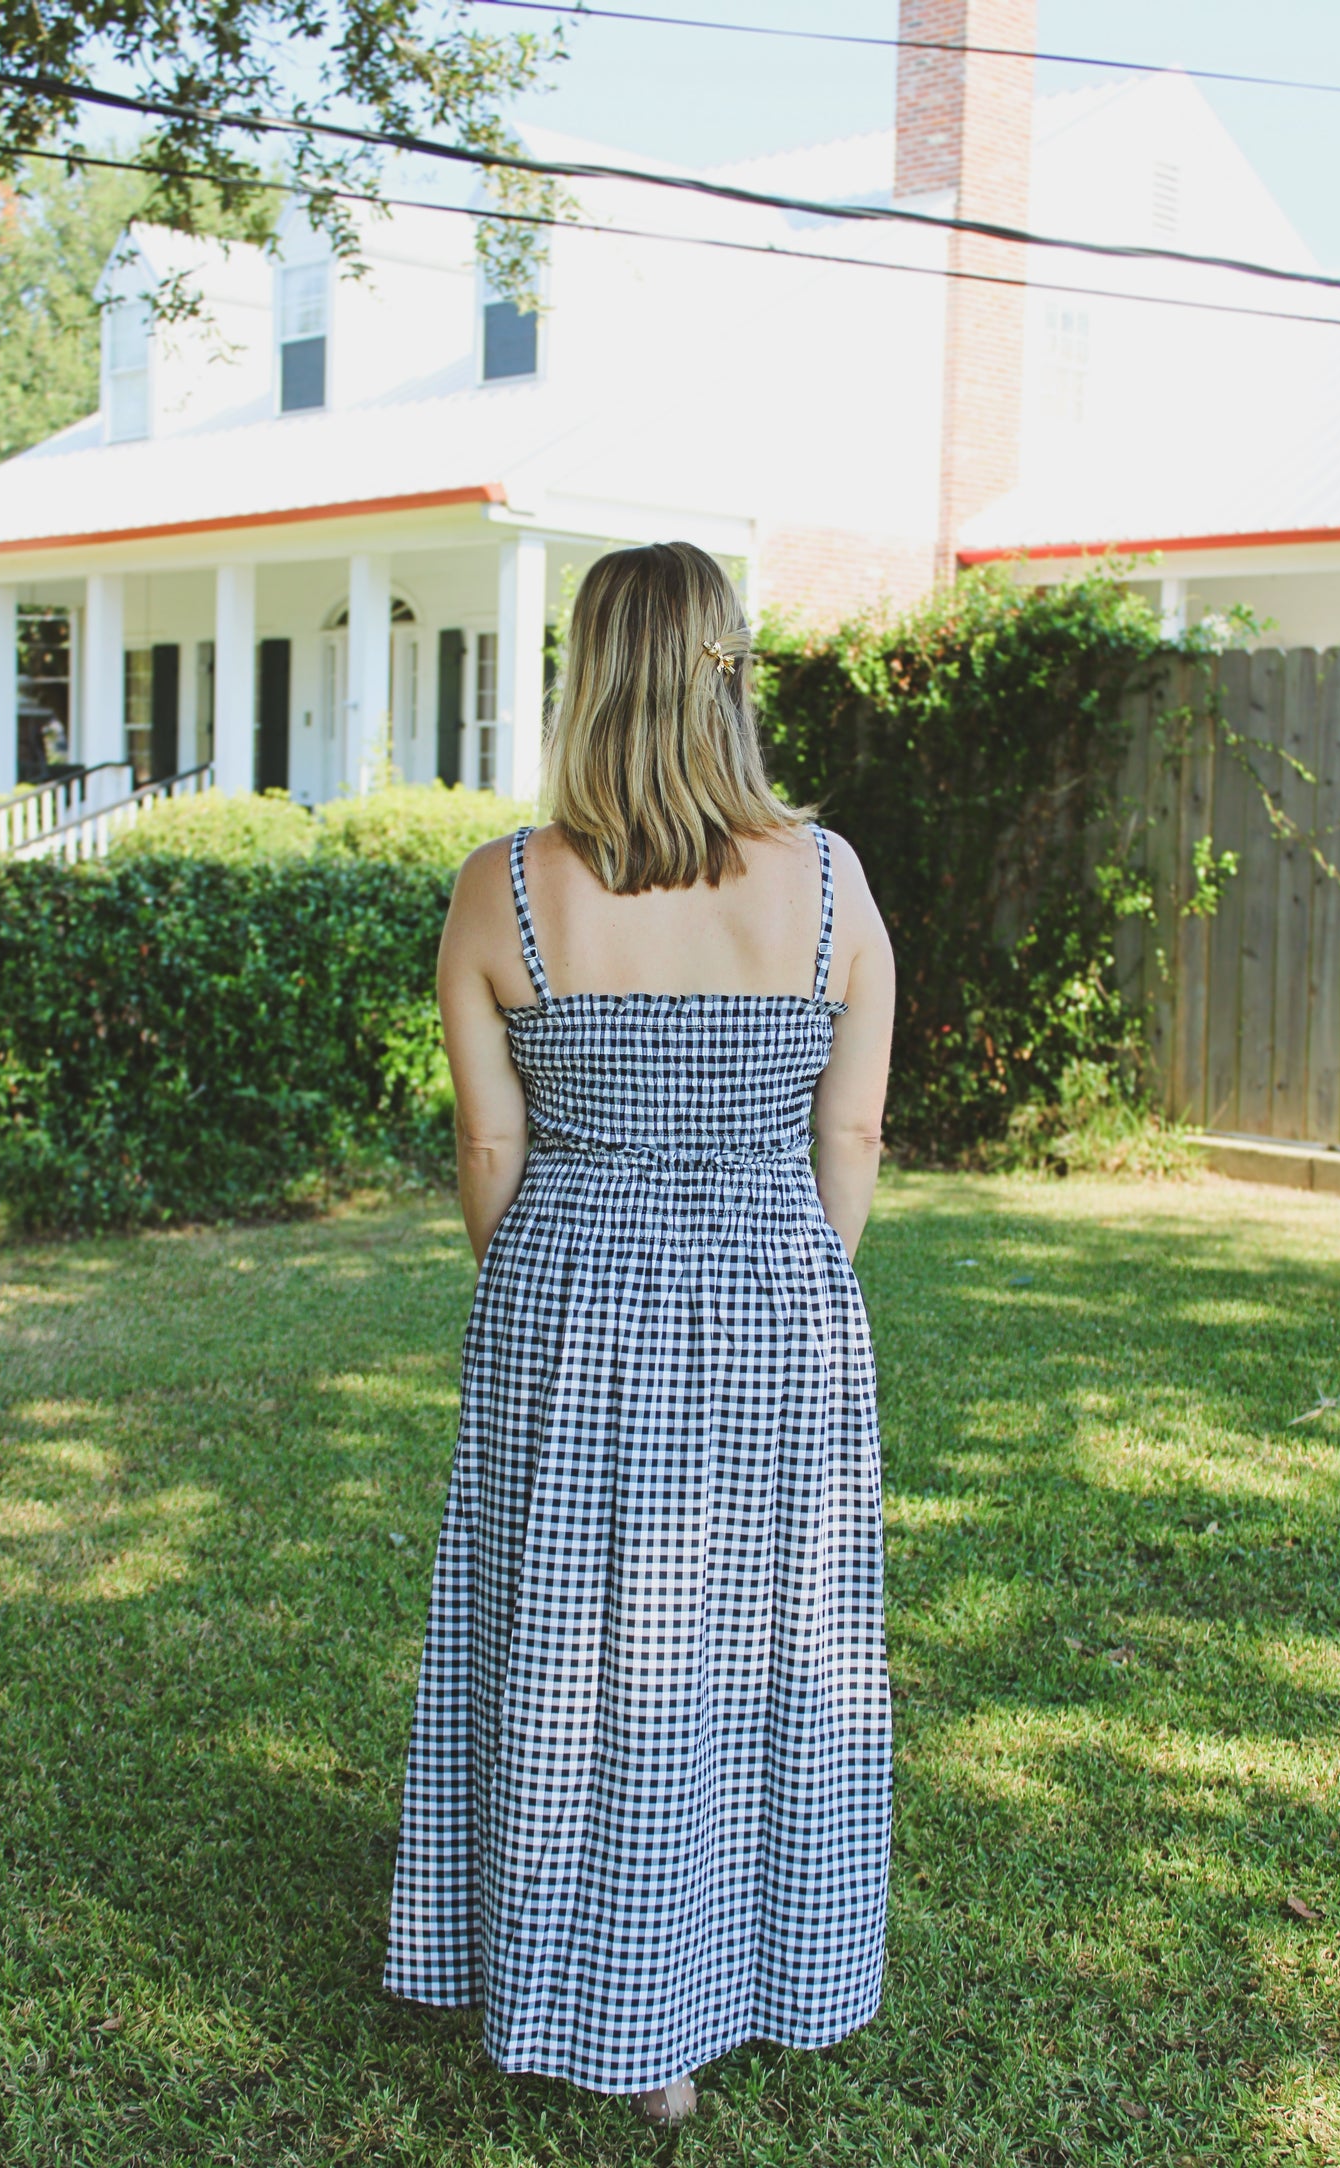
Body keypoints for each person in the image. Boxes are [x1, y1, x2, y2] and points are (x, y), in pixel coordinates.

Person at [383, 540, 895, 2124]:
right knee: (751, 1654)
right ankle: (731, 1979)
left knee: (566, 1646)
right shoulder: (827, 877)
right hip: (777, 1297)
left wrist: (552, 1289)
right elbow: (852, 1139)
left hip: (567, 1296)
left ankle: (595, 1989)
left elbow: (488, 1157)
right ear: (727, 671)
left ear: (584, 673)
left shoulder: (502, 886)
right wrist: (784, 1279)